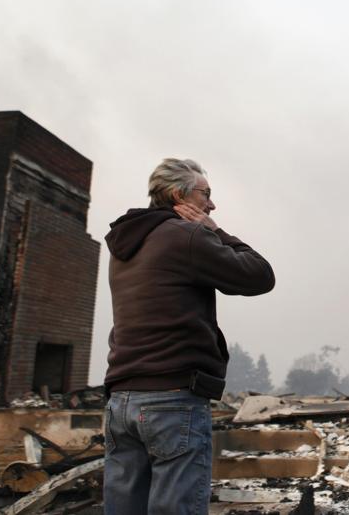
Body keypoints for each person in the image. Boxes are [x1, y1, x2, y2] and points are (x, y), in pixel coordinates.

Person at [102, 158, 275, 515]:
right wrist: (215, 230)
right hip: (172, 400)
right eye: (205, 194)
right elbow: (260, 275)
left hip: (121, 401)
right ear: (179, 195)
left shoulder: (125, 245)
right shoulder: (186, 236)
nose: (212, 204)